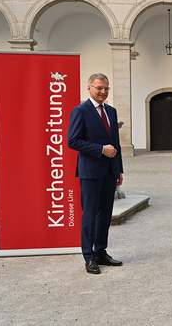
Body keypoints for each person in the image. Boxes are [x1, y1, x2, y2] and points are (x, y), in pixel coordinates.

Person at [68, 73, 124, 275]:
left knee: (105, 215)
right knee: (90, 215)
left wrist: (118, 170)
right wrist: (101, 149)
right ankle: (89, 257)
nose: (102, 92)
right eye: (99, 88)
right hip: (90, 172)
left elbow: (116, 143)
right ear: (89, 88)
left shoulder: (111, 111)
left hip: (110, 172)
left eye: (106, 88)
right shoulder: (80, 111)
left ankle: (101, 251)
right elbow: (72, 141)